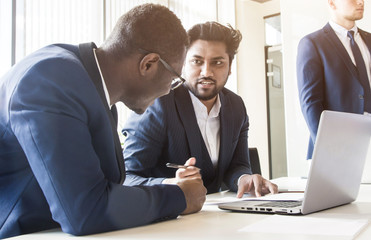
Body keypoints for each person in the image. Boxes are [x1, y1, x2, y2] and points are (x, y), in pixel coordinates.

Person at [0, 4, 207, 239]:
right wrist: (180, 198)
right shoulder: (50, 80)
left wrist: (166, 187)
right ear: (148, 64)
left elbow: (98, 188)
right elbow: (85, 211)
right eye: (174, 79)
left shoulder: (87, 85)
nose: (169, 91)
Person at [122, 21, 278, 197]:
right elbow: (126, 178)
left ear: (230, 68)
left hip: (216, 215)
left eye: (217, 63)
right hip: (168, 217)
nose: (206, 72)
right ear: (183, 64)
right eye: (197, 61)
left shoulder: (236, 106)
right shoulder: (157, 104)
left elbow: (238, 165)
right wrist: (171, 185)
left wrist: (244, 179)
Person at [297, 0, 371, 159]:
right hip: (336, 148)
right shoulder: (312, 43)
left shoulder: (369, 40)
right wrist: (329, 149)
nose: (361, 2)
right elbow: (310, 102)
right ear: (332, 3)